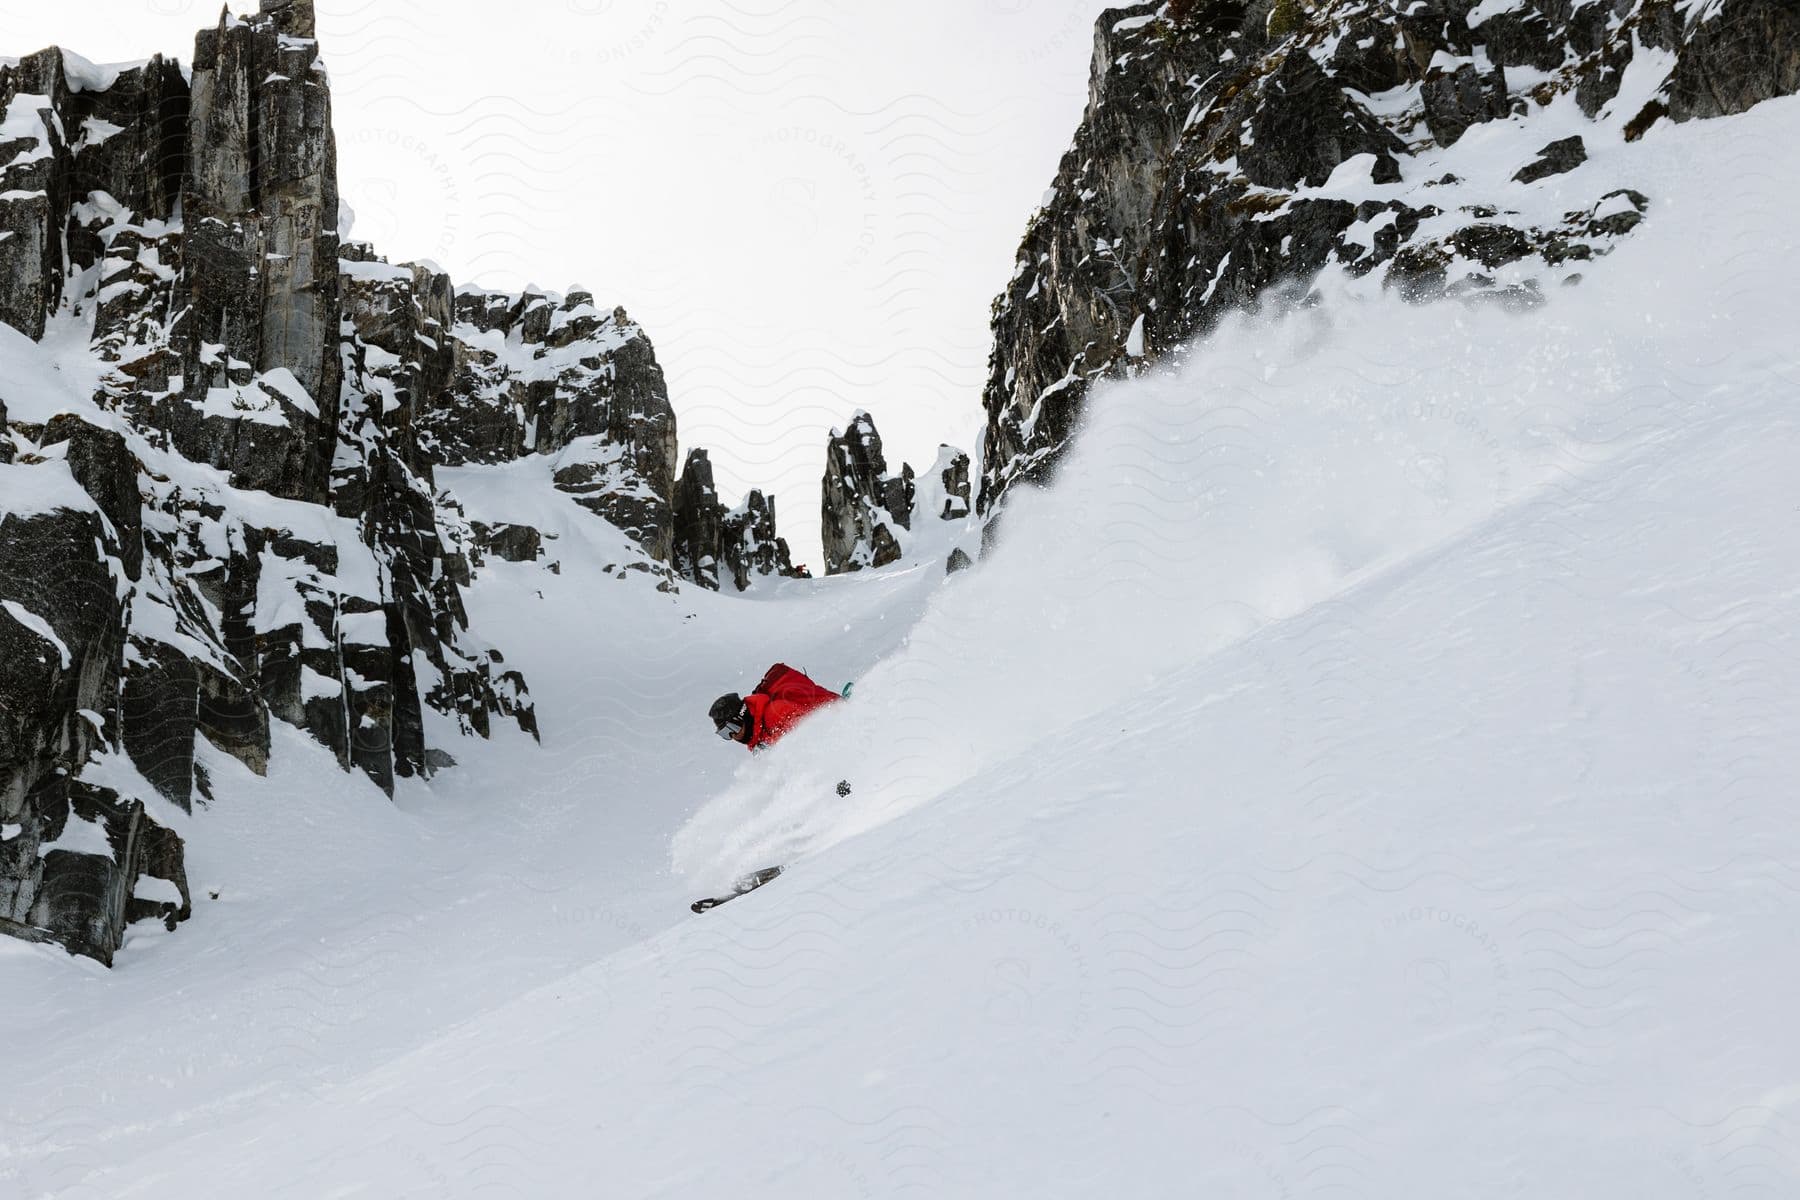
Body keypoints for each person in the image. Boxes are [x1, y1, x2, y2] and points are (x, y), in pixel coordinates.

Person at [710, 663, 841, 750]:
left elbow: (816, 737)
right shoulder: (759, 733)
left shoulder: (775, 714)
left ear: (743, 715)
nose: (732, 736)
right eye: (725, 734)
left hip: (840, 725)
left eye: (731, 728)